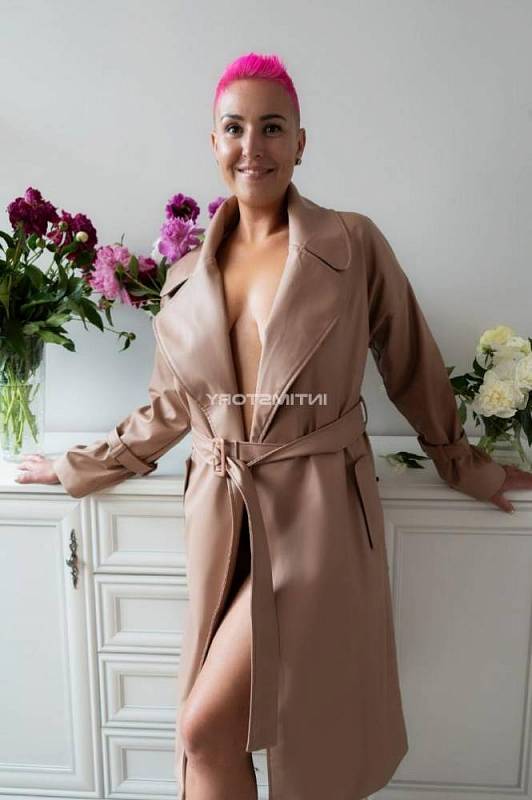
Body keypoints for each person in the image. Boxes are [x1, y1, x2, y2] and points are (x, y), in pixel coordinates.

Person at [15, 52, 532, 800]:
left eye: (271, 127)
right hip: (221, 515)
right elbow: (171, 407)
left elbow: (410, 362)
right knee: (209, 742)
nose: (251, 146)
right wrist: (74, 466)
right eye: (234, 128)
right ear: (213, 141)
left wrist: (465, 463)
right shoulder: (184, 278)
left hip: (319, 508)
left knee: (208, 730)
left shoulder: (352, 243)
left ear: (300, 141)